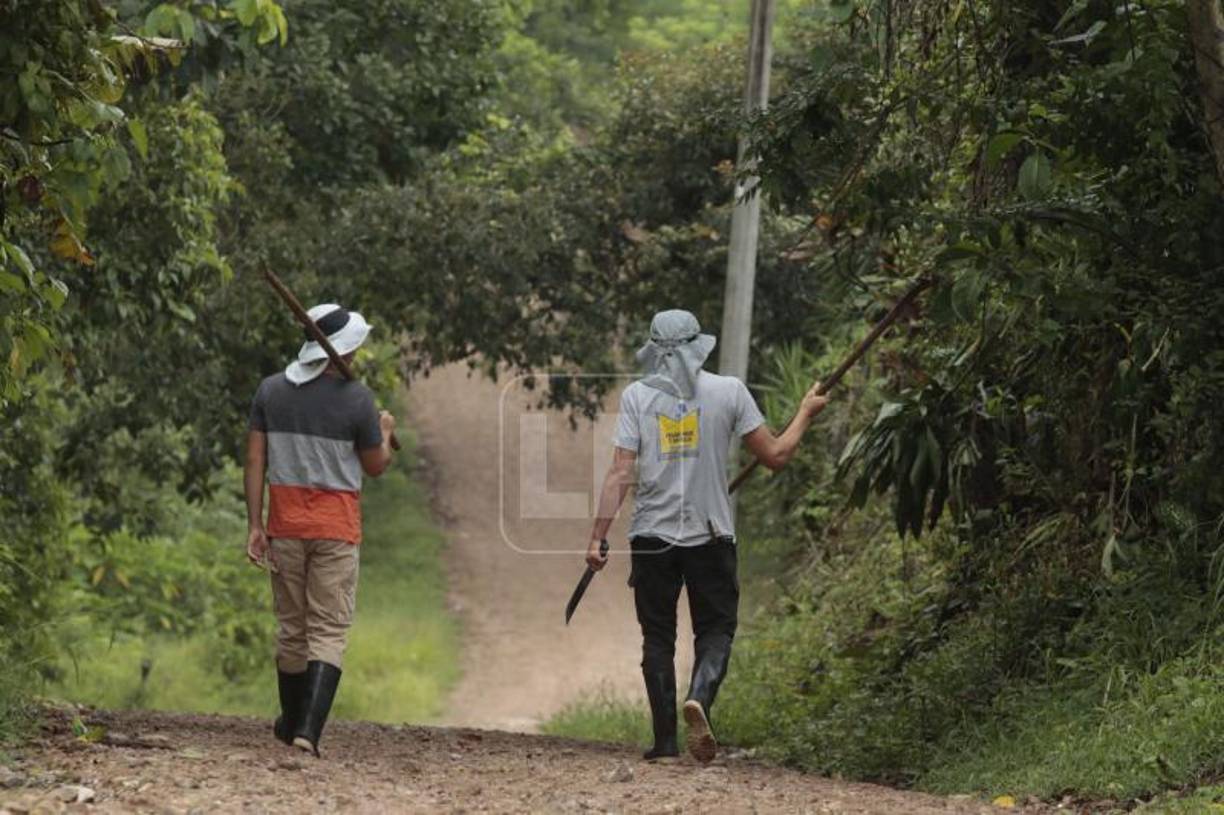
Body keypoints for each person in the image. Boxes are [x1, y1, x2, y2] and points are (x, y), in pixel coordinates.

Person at [585, 309, 829, 764]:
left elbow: (621, 471)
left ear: (654, 352)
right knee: (715, 629)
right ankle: (699, 696)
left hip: (652, 538)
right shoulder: (728, 392)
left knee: (657, 637)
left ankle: (664, 744)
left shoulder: (638, 396)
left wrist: (597, 536)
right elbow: (775, 455)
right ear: (699, 346)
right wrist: (805, 412)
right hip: (710, 535)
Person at [244, 303, 396, 757]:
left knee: (293, 628)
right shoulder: (358, 400)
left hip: (285, 525)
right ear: (344, 350)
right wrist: (385, 431)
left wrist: (255, 524)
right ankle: (307, 732)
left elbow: (255, 461)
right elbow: (375, 466)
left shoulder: (271, 391)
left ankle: (290, 725)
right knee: (328, 629)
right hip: (336, 530)